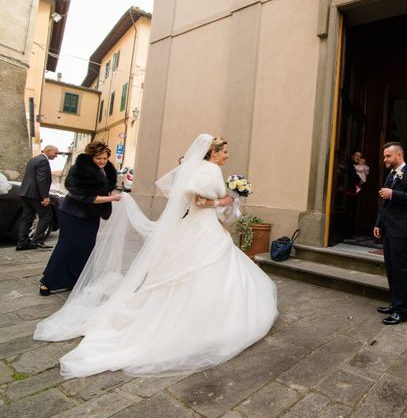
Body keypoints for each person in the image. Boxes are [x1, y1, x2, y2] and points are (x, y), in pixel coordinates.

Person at [34, 134, 278, 378]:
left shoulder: (201, 168)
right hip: (201, 226)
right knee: (205, 267)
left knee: (204, 265)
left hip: (200, 227)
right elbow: (200, 201)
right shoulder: (210, 170)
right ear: (213, 153)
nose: (227, 155)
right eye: (224, 151)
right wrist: (224, 200)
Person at [39, 141, 120, 296]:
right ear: (91, 157)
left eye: (104, 158)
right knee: (67, 246)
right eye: (98, 158)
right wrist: (111, 199)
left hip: (91, 216)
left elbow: (104, 190)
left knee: (86, 248)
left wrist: (109, 196)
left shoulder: (106, 170)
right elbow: (86, 197)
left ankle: (76, 279)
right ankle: (48, 281)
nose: (102, 161)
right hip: (73, 214)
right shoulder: (79, 170)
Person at [373, 142, 407, 325]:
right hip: (389, 229)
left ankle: (402, 312)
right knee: (391, 269)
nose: (384, 159)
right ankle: (395, 304)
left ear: (399, 155)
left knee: (400, 271)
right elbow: (384, 202)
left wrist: (394, 193)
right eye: (384, 156)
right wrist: (379, 223)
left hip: (403, 231)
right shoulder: (391, 174)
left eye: (388, 156)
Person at [16, 145, 59, 250]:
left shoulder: (34, 160)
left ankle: (22, 243)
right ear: (48, 151)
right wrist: (45, 197)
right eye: (55, 153)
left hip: (25, 192)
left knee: (27, 217)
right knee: (47, 215)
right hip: (35, 194)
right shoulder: (43, 161)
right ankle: (37, 241)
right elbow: (42, 180)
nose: (56, 156)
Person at [345, 151, 368, 238]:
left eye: (360, 156)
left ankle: (350, 232)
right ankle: (347, 233)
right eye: (356, 155)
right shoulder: (351, 164)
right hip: (349, 191)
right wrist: (359, 178)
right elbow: (354, 176)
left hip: (354, 191)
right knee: (349, 212)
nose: (358, 157)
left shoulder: (360, 165)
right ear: (353, 156)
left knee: (353, 211)